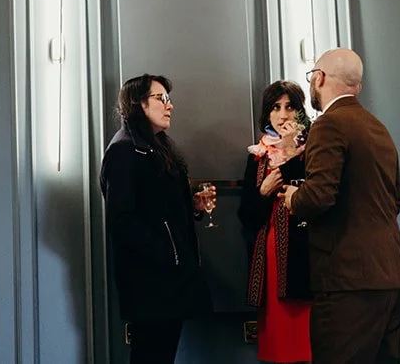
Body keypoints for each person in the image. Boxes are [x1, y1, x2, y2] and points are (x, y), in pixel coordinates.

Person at [282, 49, 400, 364]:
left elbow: (319, 196)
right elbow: (393, 201)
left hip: (350, 282)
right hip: (394, 278)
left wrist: (292, 198)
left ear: (320, 77)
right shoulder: (378, 128)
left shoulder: (329, 124)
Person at [99, 74, 214, 364]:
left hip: (167, 280)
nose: (169, 105)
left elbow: (159, 207)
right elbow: (122, 221)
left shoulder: (156, 145)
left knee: (161, 354)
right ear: (138, 104)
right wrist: (167, 253)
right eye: (160, 98)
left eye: (169, 98)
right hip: (150, 282)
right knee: (151, 356)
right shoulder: (124, 150)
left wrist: (194, 206)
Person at [237, 80, 313, 363]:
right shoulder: (258, 156)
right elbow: (246, 215)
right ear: (266, 114)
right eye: (275, 108)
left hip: (304, 257)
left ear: (300, 112)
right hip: (268, 259)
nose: (283, 116)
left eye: (290, 107)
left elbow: (317, 197)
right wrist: (263, 192)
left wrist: (291, 153)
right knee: (277, 349)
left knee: (307, 345)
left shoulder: (314, 149)